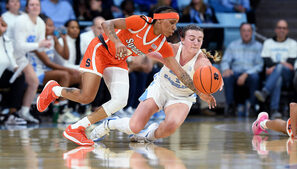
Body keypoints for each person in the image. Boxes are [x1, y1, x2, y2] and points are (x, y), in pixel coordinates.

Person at [37, 6, 216, 146]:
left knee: (120, 101)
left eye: (175, 24)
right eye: (171, 23)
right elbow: (106, 24)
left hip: (118, 60)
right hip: (100, 50)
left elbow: (180, 72)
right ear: (159, 21)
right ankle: (55, 90)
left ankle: (77, 128)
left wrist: (200, 92)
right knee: (86, 97)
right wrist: (116, 42)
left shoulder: (162, 45)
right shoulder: (140, 22)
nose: (174, 28)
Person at [90, 24, 220, 143]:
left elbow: (213, 77)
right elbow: (147, 50)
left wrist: (217, 84)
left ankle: (148, 135)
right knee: (134, 127)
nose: (196, 43)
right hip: (160, 88)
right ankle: (109, 124)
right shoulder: (171, 49)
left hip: (182, 97)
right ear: (182, 39)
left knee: (170, 126)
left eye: (199, 39)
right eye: (192, 38)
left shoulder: (202, 62)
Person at [13, 0, 52, 123]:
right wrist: (38, 44)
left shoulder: (40, 22)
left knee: (33, 81)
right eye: (32, 5)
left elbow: (38, 47)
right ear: (27, 8)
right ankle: (13, 111)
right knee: (30, 81)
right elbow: (18, 46)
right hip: (11, 54)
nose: (35, 7)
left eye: (37, 5)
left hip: (22, 56)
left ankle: (24, 112)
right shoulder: (21, 21)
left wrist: (44, 45)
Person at [254, 19, 297, 119]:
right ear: (275, 29)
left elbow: (290, 64)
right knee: (278, 79)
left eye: (284, 28)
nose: (281, 30)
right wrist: (282, 63)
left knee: (279, 68)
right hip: (272, 76)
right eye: (279, 27)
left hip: (288, 76)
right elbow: (267, 62)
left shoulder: (293, 44)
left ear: (287, 30)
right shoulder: (268, 43)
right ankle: (274, 110)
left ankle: (265, 92)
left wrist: (277, 66)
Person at [221, 22, 262, 116]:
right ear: (240, 32)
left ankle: (252, 106)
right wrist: (226, 69)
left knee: (255, 77)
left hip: (250, 74)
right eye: (244, 31)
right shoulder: (233, 45)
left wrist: (245, 74)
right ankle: (230, 106)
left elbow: (259, 65)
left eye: (248, 31)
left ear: (252, 32)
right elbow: (225, 60)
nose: (246, 33)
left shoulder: (258, 46)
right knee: (227, 76)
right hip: (235, 73)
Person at [0, 16, 27, 125]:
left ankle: (12, 113)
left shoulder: (6, 40)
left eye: (2, 23)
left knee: (20, 76)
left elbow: (9, 58)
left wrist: (15, 67)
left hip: (2, 74)